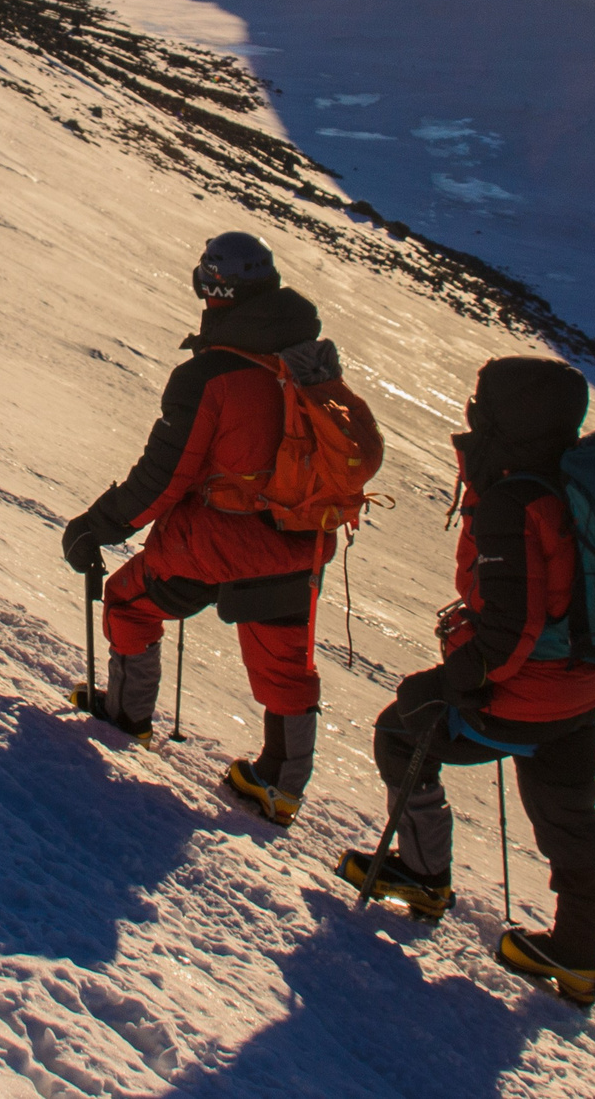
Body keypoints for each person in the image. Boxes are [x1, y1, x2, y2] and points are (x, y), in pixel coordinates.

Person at [336, 355, 595, 1008]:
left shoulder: (513, 501)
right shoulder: (569, 486)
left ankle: (424, 877)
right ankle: (577, 956)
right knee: (567, 810)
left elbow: (511, 625)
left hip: (525, 689)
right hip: (583, 690)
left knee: (402, 732)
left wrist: (458, 682)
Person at [60, 233, 355, 826]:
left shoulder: (211, 375)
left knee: (129, 602)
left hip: (221, 542)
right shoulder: (310, 362)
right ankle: (280, 785)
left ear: (210, 288)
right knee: (285, 664)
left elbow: (163, 477)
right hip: (303, 537)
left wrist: (98, 526)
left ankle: (126, 717)